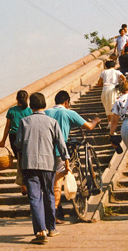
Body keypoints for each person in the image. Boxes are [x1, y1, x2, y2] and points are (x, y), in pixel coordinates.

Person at [15, 92, 69, 244]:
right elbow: (61, 143)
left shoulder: (24, 122)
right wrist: (66, 161)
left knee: (35, 197)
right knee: (49, 195)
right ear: (44, 104)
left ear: (31, 106)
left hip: (30, 164)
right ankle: (51, 228)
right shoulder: (52, 122)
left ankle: (40, 231)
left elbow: (18, 144)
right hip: (48, 164)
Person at [45, 90, 101, 224]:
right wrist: (95, 121)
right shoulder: (68, 113)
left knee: (48, 183)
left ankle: (50, 211)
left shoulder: (46, 113)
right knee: (57, 184)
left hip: (45, 152)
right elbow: (88, 127)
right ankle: (53, 216)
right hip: (60, 152)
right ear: (66, 102)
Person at [0, 90, 33, 195]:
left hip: (14, 137)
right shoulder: (29, 111)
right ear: (27, 99)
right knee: (26, 160)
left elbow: (7, 127)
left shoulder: (11, 111)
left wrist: (3, 140)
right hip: (26, 136)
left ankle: (23, 183)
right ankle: (27, 182)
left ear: (16, 98)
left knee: (19, 159)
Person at [98, 60, 126, 130]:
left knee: (107, 106)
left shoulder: (103, 72)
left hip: (105, 90)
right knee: (114, 106)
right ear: (114, 66)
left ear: (106, 66)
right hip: (113, 89)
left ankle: (109, 122)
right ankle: (114, 123)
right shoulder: (117, 72)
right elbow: (124, 78)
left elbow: (99, 83)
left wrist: (105, 85)